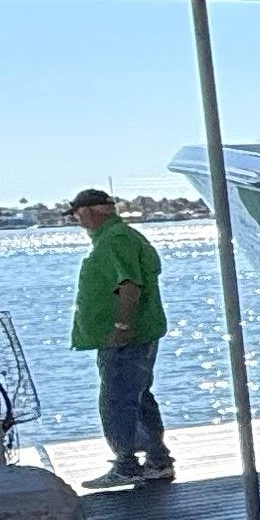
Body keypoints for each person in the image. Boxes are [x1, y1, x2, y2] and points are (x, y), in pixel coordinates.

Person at [65, 189, 175, 482]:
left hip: (127, 338)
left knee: (117, 399)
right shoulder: (117, 238)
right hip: (133, 334)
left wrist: (121, 328)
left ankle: (127, 463)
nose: (76, 220)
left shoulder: (115, 240)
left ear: (89, 212)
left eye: (76, 213)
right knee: (136, 395)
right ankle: (156, 460)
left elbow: (129, 286)